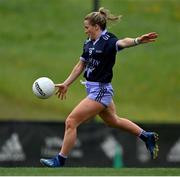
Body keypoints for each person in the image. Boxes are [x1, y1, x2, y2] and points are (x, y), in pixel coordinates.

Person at [40, 7, 159, 167]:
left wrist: (138, 40)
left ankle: (60, 160)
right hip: (93, 89)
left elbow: (122, 42)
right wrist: (66, 83)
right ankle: (146, 136)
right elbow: (80, 65)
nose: (85, 30)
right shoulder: (88, 43)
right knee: (113, 121)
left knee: (71, 121)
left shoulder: (108, 41)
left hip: (101, 90)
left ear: (96, 26)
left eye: (86, 27)